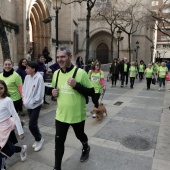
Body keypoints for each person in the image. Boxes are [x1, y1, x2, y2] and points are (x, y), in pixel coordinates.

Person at [51, 47, 94, 170]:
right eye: (58, 57)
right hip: (61, 115)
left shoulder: (81, 73)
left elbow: (92, 92)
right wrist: (53, 93)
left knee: (80, 135)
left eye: (63, 57)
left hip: (77, 115)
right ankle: (57, 167)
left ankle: (85, 146)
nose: (60, 59)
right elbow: (55, 92)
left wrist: (77, 85)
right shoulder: (56, 74)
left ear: (70, 57)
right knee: (58, 142)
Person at [0, 80, 27, 169]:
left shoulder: (8, 100)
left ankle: (2, 166)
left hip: (6, 128)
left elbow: (15, 115)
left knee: (5, 147)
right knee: (6, 147)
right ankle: (21, 149)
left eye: (1, 88)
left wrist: (20, 131)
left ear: (5, 89)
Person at [22, 61, 45, 152]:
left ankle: (39, 140)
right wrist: (25, 100)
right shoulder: (27, 77)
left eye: (27, 68)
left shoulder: (39, 78)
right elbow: (24, 89)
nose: (25, 69)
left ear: (33, 69)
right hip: (28, 104)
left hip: (35, 105)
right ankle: (38, 138)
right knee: (34, 124)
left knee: (31, 125)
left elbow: (40, 94)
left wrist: (33, 101)